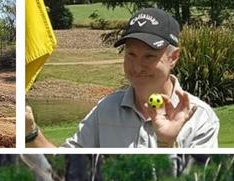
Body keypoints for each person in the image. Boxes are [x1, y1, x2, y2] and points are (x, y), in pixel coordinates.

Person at [26, 8, 219, 148]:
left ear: (174, 57)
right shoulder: (105, 109)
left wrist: (166, 143)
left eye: (149, 56)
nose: (136, 67)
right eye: (131, 55)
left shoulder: (200, 117)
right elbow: (64, 167)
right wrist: (31, 132)